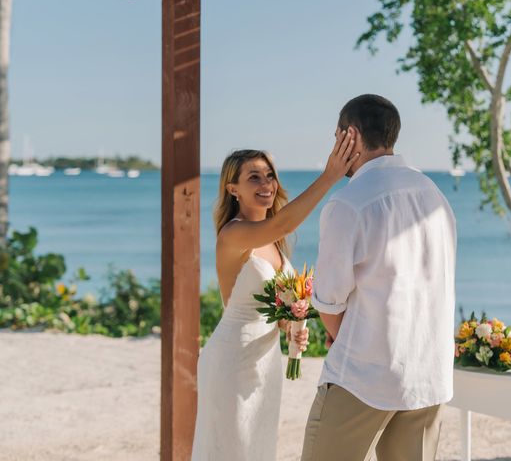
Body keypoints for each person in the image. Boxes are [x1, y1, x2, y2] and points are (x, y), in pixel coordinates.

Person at [301, 94, 457, 461]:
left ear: (349, 136)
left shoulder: (348, 203)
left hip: (364, 376)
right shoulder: (435, 196)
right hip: (428, 374)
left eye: (336, 135)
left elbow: (328, 302)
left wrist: (347, 339)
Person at [191, 134, 359, 461]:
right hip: (231, 361)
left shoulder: (275, 242)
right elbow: (283, 223)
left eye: (270, 176)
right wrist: (330, 176)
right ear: (232, 189)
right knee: (231, 449)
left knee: (258, 448)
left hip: (267, 361)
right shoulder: (233, 234)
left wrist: (289, 323)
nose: (266, 183)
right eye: (254, 177)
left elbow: (266, 307)